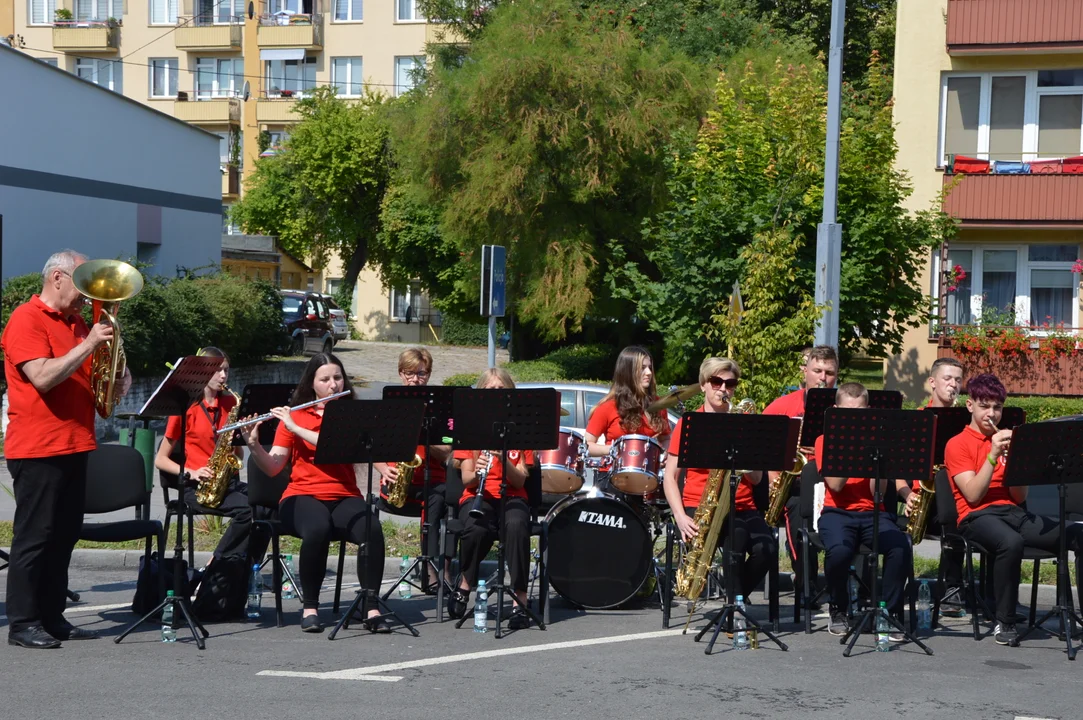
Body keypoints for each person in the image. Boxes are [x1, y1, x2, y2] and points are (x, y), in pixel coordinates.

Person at [2, 250, 131, 648]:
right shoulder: (26, 318)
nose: (87, 294)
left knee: (64, 536)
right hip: (38, 447)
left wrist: (117, 371)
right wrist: (89, 343)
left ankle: (53, 616)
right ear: (57, 278)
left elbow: (101, 388)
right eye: (81, 283)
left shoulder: (78, 322)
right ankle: (23, 622)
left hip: (76, 443)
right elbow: (42, 377)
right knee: (35, 536)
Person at [240, 353, 388, 634]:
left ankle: (370, 606)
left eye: (337, 377)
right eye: (325, 379)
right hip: (301, 496)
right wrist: (254, 445)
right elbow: (273, 467)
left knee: (372, 528)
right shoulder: (294, 415)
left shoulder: (350, 414)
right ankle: (310, 607)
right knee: (318, 527)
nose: (333, 384)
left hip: (344, 495)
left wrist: (296, 427)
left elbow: (338, 445)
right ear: (312, 384)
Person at [944, 373, 1059, 645]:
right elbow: (972, 495)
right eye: (985, 406)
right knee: (1011, 542)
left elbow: (1019, 498)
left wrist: (1018, 462)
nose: (992, 414)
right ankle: (1004, 621)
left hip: (1012, 512)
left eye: (997, 407)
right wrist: (993, 457)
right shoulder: (957, 444)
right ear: (970, 405)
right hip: (975, 516)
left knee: (1075, 534)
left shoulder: (1008, 439)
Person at [662, 358, 776, 601]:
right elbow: (670, 477)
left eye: (730, 384)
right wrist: (680, 517)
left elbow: (756, 480)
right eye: (716, 382)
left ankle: (735, 601)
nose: (723, 389)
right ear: (703, 385)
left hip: (743, 505)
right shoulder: (688, 424)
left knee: (767, 550)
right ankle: (735, 612)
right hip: (700, 504)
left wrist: (748, 455)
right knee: (736, 539)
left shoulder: (745, 424)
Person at [154, 347, 269, 571]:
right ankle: (216, 566)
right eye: (217, 371)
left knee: (266, 507)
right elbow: (160, 459)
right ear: (202, 373)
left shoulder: (231, 404)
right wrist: (192, 472)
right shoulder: (185, 407)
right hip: (196, 486)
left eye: (226, 370)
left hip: (226, 483)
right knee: (247, 510)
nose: (223, 376)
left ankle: (244, 566)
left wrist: (241, 439)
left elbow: (238, 455)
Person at [815, 383, 912, 639]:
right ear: (835, 411)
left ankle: (889, 614)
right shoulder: (825, 440)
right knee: (839, 552)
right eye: (847, 412)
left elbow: (877, 493)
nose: (853, 418)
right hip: (837, 512)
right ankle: (839, 607)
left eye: (859, 412)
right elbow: (835, 485)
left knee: (900, 547)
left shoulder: (879, 440)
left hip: (872, 512)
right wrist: (854, 446)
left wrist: (875, 454)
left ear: (867, 410)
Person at [446, 368, 534, 630]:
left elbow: (520, 479)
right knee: (475, 528)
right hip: (478, 494)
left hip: (513, 495)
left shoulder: (522, 429)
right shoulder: (470, 427)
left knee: (517, 525)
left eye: (501, 389)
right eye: (490, 390)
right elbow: (465, 480)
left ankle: (520, 598)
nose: (496, 394)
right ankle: (465, 582)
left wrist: (502, 459)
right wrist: (478, 470)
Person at [762, 344, 839, 605]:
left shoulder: (844, 407)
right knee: (798, 521)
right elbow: (762, 447)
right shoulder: (782, 406)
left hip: (834, 485)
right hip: (794, 487)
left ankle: (844, 587)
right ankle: (806, 586)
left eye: (829, 372)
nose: (823, 377)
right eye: (817, 370)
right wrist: (775, 483)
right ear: (804, 371)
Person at [374, 347, 453, 593]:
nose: (415, 379)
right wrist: (384, 470)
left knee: (443, 498)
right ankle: (432, 569)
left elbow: (448, 452)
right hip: (398, 480)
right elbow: (373, 448)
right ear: (400, 374)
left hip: (433, 480)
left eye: (421, 374)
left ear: (428, 375)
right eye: (409, 373)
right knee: (435, 500)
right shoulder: (389, 408)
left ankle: (437, 567)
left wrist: (426, 435)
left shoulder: (442, 409)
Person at [899, 356, 966, 618]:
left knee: (956, 521)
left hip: (954, 498)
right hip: (919, 497)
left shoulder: (966, 423)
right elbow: (895, 467)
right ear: (932, 383)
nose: (953, 385)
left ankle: (951, 588)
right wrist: (906, 494)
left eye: (958, 380)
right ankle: (901, 585)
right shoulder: (915, 421)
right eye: (947, 379)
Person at [584, 345, 669, 458]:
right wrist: (614, 449)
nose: (649, 372)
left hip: (648, 473)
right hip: (612, 473)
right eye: (642, 368)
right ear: (628, 372)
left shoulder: (658, 404)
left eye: (649, 367)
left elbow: (666, 438)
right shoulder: (608, 407)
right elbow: (585, 446)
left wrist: (665, 453)